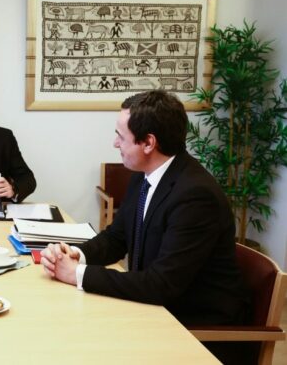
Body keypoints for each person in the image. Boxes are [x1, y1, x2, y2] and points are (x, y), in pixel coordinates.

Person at [40, 90, 253, 364]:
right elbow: (117, 238)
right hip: (156, 310)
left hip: (195, 329)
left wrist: (77, 275)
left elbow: (161, 284)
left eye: (120, 135)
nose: (114, 143)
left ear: (149, 143)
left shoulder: (195, 196)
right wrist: (75, 255)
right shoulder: (144, 177)